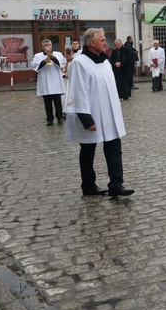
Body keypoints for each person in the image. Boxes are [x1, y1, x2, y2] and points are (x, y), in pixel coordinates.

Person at [65, 28, 133, 197]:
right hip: (92, 114)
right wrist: (86, 119)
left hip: (109, 113)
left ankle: (116, 184)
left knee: (114, 148)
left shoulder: (104, 61)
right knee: (88, 151)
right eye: (102, 40)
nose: (105, 43)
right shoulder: (79, 63)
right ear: (91, 43)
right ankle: (88, 185)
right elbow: (77, 91)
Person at [31, 39, 66, 126]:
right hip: (45, 81)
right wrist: (43, 62)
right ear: (42, 46)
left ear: (51, 45)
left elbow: (62, 63)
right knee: (47, 102)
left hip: (55, 81)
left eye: (49, 45)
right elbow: (34, 66)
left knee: (58, 101)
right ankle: (49, 119)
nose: (47, 47)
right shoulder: (37, 56)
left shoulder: (58, 54)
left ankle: (59, 117)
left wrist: (53, 58)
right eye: (45, 45)